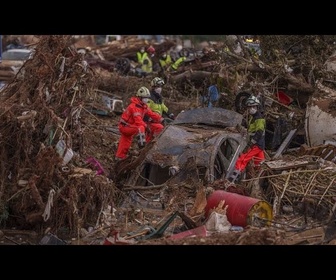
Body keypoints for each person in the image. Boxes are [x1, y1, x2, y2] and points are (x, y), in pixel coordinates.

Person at [115, 86, 164, 161]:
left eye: (147, 97)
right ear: (140, 97)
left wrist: (160, 119)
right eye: (145, 97)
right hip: (125, 127)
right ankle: (142, 148)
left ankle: (120, 157)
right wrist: (146, 126)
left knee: (125, 142)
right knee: (140, 127)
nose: (146, 99)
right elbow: (138, 121)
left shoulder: (143, 106)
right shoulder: (134, 107)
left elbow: (151, 114)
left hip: (129, 126)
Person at [228, 95, 266, 183]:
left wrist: (251, 143)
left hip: (256, 144)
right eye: (250, 107)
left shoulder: (259, 119)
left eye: (253, 107)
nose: (251, 109)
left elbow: (259, 132)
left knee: (242, 159)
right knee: (260, 162)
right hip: (259, 145)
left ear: (257, 107)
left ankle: (232, 181)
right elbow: (251, 131)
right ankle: (260, 180)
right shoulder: (253, 118)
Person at [145, 77, 175, 141]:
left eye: (161, 86)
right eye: (158, 86)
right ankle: (155, 143)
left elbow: (164, 108)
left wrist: (171, 114)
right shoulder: (149, 97)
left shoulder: (159, 98)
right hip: (150, 121)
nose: (160, 88)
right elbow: (145, 110)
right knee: (160, 128)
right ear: (153, 87)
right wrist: (150, 119)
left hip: (157, 120)